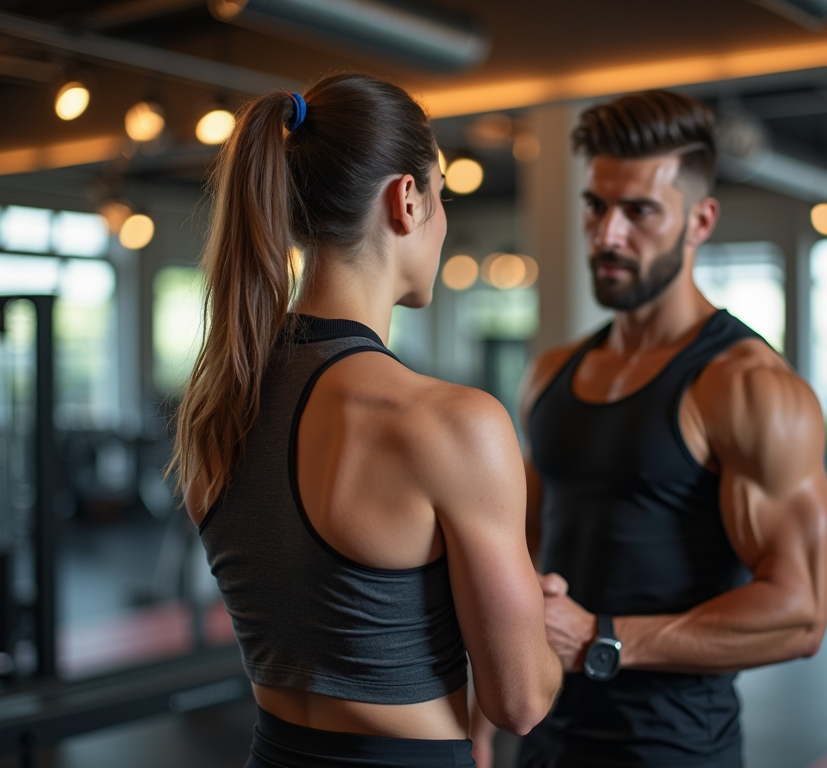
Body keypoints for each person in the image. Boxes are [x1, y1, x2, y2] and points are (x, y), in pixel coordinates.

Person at [169, 73, 562, 768]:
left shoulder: (216, 409)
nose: (444, 221)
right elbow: (520, 700)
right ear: (406, 201)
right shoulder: (454, 423)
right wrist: (536, 620)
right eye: (442, 194)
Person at [471, 90, 827, 767]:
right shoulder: (550, 374)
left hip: (670, 748)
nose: (608, 234)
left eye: (639, 211)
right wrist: (482, 710)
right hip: (544, 737)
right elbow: (525, 547)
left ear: (700, 221)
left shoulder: (748, 387)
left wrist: (601, 638)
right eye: (595, 206)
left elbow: (801, 612)